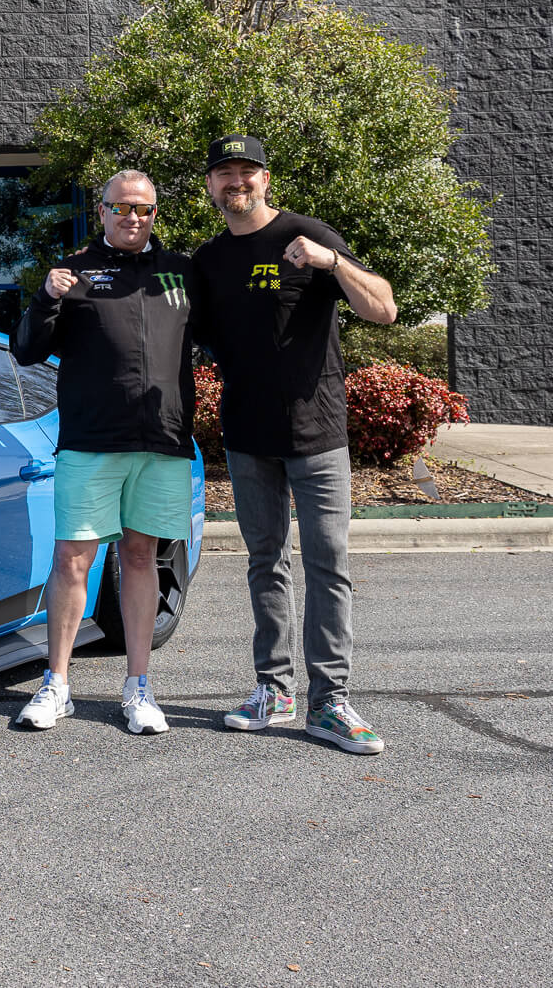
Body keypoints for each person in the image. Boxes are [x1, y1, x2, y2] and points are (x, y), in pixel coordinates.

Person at [188, 134, 396, 754]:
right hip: (249, 435)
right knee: (265, 563)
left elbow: (382, 309)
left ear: (266, 179)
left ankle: (330, 700)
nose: (236, 182)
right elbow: (193, 338)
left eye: (246, 171)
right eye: (224, 173)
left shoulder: (308, 235)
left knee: (328, 563)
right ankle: (273, 689)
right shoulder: (208, 261)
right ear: (210, 186)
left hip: (318, 433)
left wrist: (333, 264)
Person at [9, 169, 196, 734]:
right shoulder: (75, 272)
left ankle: (138, 687)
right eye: (122, 207)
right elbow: (25, 350)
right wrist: (45, 297)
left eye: (143, 208)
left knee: (141, 558)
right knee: (73, 560)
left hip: (162, 440)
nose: (132, 217)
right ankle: (57, 684)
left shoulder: (182, 273)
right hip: (90, 442)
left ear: (155, 214)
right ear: (103, 211)